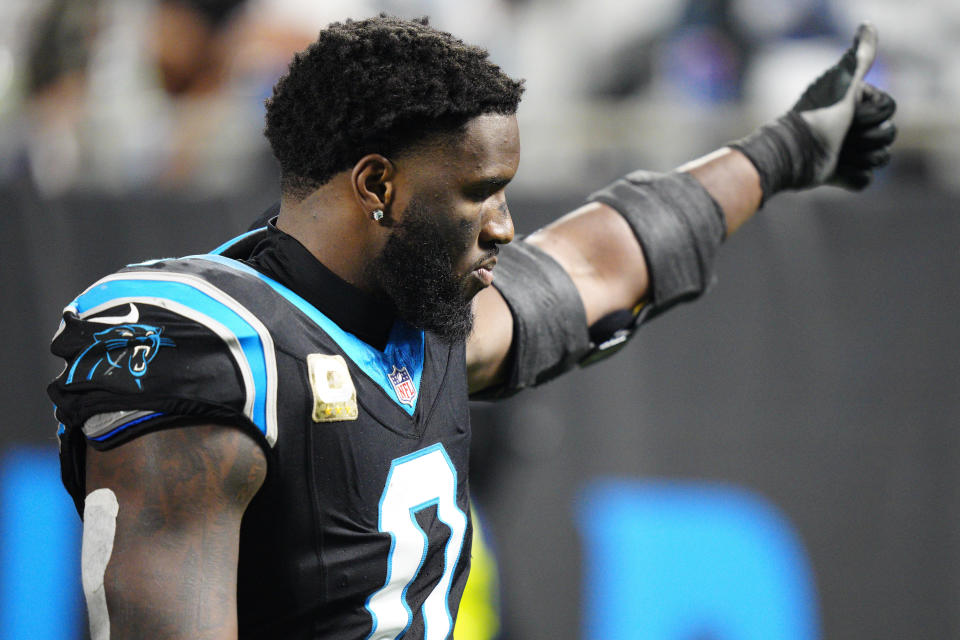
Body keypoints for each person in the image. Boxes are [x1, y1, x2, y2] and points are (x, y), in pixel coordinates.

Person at [48, 15, 896, 640]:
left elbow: (603, 260)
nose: (504, 225)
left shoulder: (422, 320)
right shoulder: (219, 361)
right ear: (378, 185)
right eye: (479, 191)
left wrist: (786, 152)